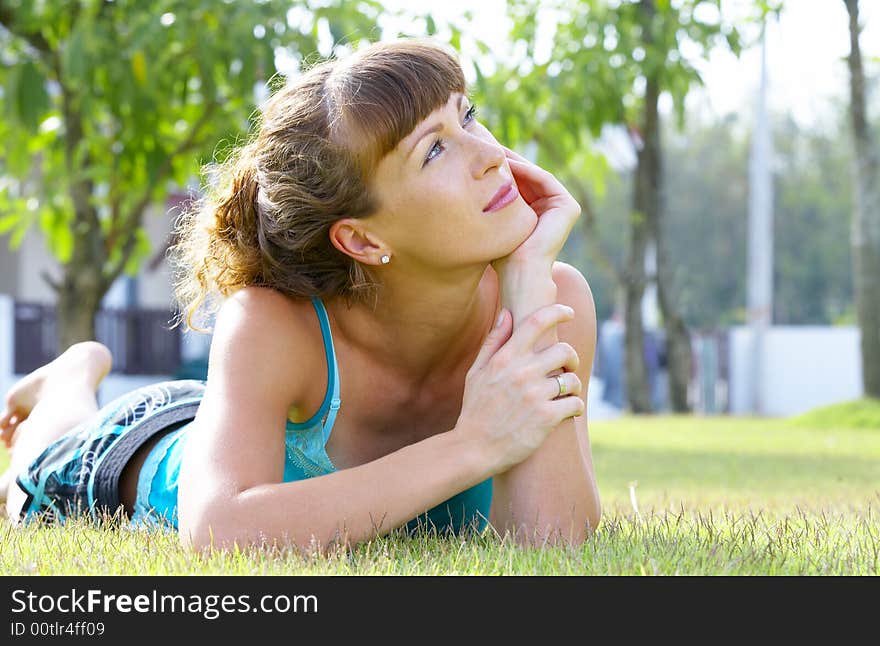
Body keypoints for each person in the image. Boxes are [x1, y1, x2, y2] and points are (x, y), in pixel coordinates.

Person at [0, 39, 601, 552]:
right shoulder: (271, 323)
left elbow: (552, 543)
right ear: (362, 238)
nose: (494, 155)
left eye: (467, 117)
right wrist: (473, 446)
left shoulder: (553, 298)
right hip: (137, 448)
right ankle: (69, 380)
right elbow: (216, 530)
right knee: (25, 478)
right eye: (435, 149)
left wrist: (528, 291)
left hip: (238, 416)